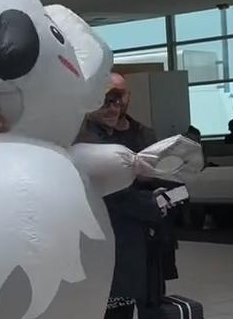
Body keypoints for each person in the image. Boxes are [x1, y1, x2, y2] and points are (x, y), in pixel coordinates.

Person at [75, 73, 176, 319]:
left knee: (150, 303)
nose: (112, 107)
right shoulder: (85, 138)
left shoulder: (143, 133)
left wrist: (163, 193)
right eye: (105, 100)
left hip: (146, 239)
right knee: (115, 306)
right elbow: (110, 193)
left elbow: (162, 178)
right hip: (111, 237)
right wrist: (152, 201)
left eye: (117, 99)